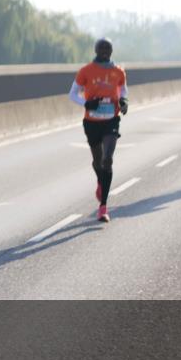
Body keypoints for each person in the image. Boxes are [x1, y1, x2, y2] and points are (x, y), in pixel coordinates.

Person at [69, 38, 128, 223]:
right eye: (101, 47)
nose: (104, 50)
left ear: (111, 51)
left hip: (111, 119)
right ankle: (101, 182)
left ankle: (103, 207)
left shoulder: (118, 71)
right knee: (97, 161)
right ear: (95, 50)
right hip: (92, 121)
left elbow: (123, 91)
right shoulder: (86, 71)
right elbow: (72, 93)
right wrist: (87, 103)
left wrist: (124, 102)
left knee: (107, 159)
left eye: (107, 48)